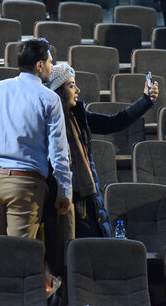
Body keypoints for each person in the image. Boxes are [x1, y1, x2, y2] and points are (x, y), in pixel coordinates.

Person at [42, 63, 158, 275]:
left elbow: (114, 122)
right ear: (57, 92)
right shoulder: (47, 123)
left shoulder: (78, 117)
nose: (77, 90)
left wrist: (145, 101)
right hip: (67, 203)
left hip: (88, 200)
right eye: (71, 86)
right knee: (75, 264)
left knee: (96, 260)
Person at [0, 38, 71, 239]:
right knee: (18, 258)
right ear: (39, 65)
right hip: (25, 186)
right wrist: (64, 191)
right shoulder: (49, 98)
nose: (52, 67)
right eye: (50, 62)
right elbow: (58, 151)